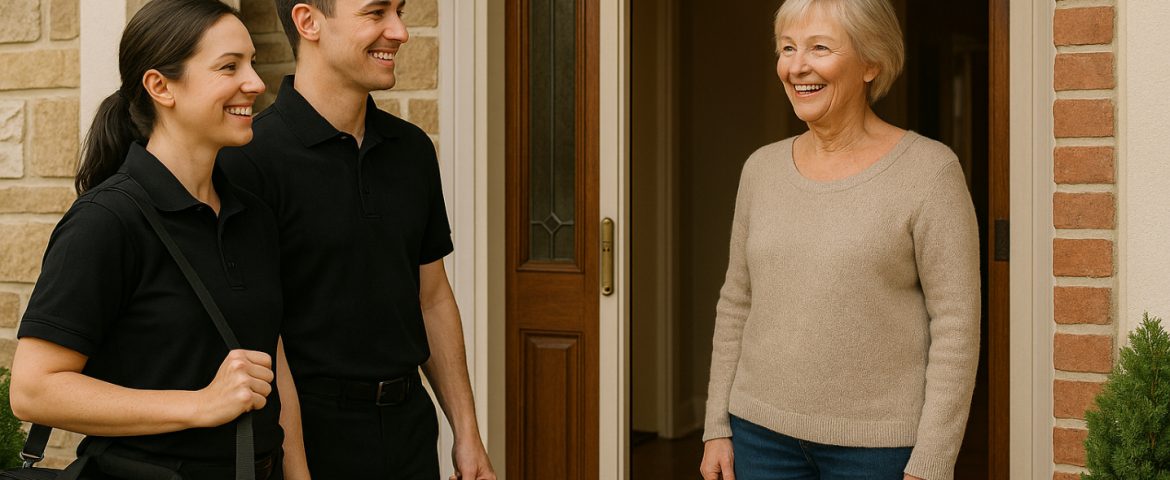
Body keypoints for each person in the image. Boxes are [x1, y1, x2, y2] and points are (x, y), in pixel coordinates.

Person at [9, 1, 310, 478]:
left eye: (251, 63)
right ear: (160, 86)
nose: (255, 83)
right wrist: (199, 405)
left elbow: (268, 359)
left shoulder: (252, 215)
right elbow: (33, 390)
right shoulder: (107, 220)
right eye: (230, 66)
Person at [698, 0, 981, 479]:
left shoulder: (931, 172)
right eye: (787, 48)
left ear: (872, 63)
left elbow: (956, 327)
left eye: (819, 47)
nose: (796, 66)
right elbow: (736, 302)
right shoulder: (760, 170)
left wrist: (931, 462)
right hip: (758, 438)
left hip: (879, 452)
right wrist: (716, 426)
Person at [217, 1, 495, 478]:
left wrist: (467, 435)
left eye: (400, 11)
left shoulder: (412, 150)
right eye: (377, 13)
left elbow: (430, 298)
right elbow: (260, 331)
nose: (401, 32)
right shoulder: (245, 161)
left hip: (410, 429)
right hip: (310, 437)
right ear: (309, 23)